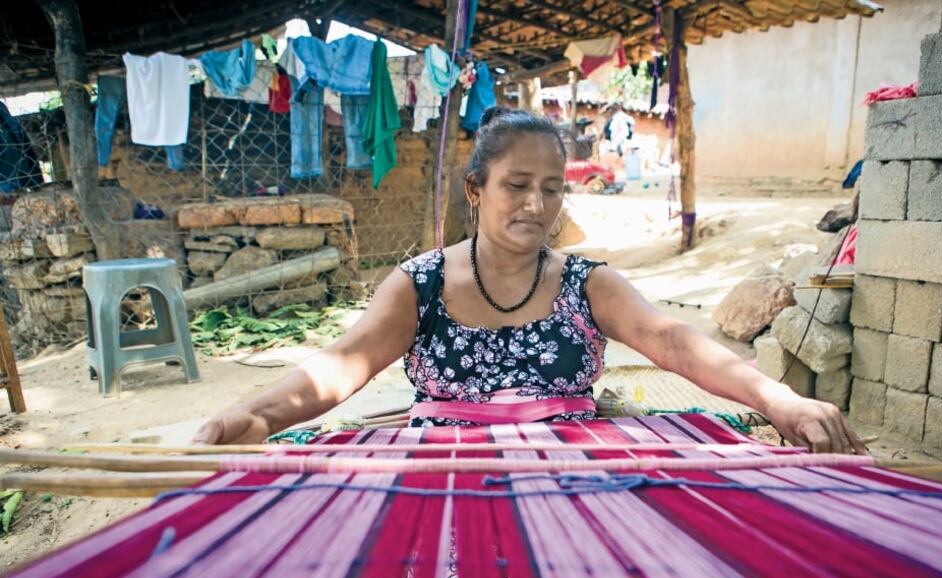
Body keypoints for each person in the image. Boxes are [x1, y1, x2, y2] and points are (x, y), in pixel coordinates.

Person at [194, 107, 865, 455]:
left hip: (573, 462)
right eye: (516, 186)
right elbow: (339, 368)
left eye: (550, 189)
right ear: (475, 190)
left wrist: (782, 402)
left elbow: (680, 345)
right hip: (445, 468)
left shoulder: (587, 284)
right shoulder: (418, 285)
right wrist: (255, 414)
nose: (535, 205)